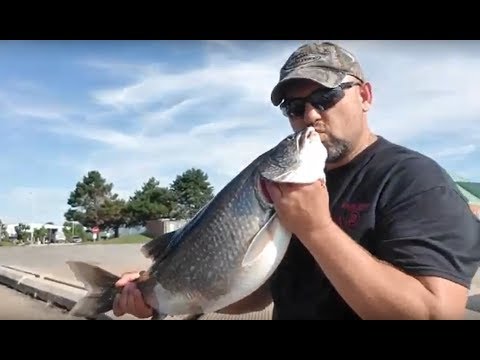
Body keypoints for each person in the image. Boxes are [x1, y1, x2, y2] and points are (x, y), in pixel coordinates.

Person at [112, 41, 480, 320]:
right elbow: (260, 293)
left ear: (365, 96)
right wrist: (160, 299)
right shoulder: (286, 187)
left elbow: (436, 311)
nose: (311, 114)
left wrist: (316, 229)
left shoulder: (414, 181)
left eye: (326, 96)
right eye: (294, 107)